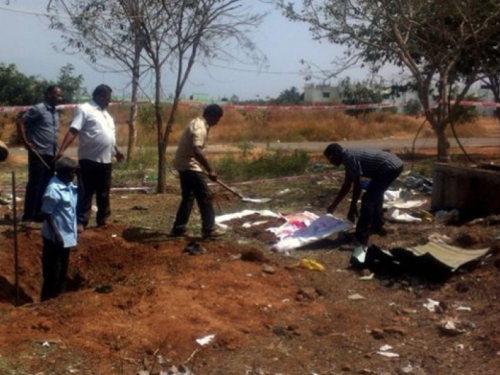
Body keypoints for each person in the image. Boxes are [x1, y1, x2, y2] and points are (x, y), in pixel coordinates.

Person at [56, 84, 124, 233]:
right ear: (99, 96)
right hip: (89, 159)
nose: (109, 102)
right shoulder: (85, 109)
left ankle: (102, 219)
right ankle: (81, 221)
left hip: (106, 160)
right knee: (86, 191)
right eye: (107, 98)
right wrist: (61, 150)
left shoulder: (106, 115)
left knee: (104, 192)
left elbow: (110, 138)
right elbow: (74, 130)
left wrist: (117, 152)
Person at [324, 143, 404, 245]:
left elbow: (357, 187)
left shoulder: (349, 158)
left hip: (389, 167)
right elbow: (346, 186)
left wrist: (352, 207)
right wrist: (333, 206)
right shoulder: (347, 157)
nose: (330, 162)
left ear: (335, 154)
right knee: (376, 195)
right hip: (393, 164)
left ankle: (360, 238)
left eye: (330, 158)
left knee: (368, 200)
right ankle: (377, 225)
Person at [170, 104, 226, 239]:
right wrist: (210, 170)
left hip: (183, 164)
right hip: (190, 165)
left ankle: (178, 228)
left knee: (188, 197)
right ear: (211, 116)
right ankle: (209, 229)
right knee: (205, 197)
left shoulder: (198, 123)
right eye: (217, 119)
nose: (217, 123)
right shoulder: (200, 127)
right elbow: (197, 151)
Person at [16, 85, 62, 222]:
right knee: (35, 184)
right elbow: (20, 122)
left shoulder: (55, 111)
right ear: (48, 94)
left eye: (60, 96)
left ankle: (39, 214)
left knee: (47, 184)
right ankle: (28, 216)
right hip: (38, 153)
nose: (59, 98)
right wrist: (25, 142)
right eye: (57, 95)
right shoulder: (39, 109)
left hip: (51, 154)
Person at [40, 156, 79, 301]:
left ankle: (59, 300)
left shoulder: (68, 184)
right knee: (52, 273)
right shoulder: (54, 189)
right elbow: (47, 212)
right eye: (72, 172)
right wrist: (56, 234)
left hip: (66, 236)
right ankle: (47, 301)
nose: (74, 175)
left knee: (63, 270)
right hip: (55, 237)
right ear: (62, 172)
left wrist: (79, 175)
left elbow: (84, 192)